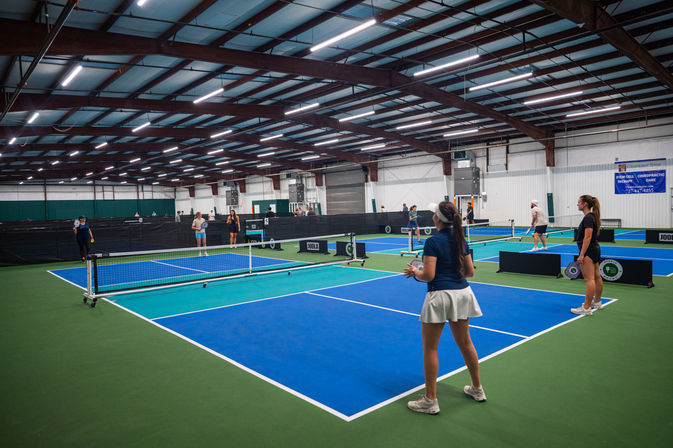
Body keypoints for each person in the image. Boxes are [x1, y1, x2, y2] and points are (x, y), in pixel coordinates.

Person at [403, 201, 485, 414]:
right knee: (466, 343)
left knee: (430, 348)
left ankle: (430, 400)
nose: (432, 216)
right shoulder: (460, 240)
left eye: (433, 214)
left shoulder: (432, 242)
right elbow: (469, 272)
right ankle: (477, 389)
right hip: (462, 294)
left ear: (437, 218)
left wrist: (415, 272)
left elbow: (428, 275)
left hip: (439, 295)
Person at [571, 195, 603, 316]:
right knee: (597, 277)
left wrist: (582, 254)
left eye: (579, 202)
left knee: (589, 279)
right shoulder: (592, 216)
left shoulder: (588, 218)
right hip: (595, 249)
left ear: (585, 204)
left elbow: (588, 236)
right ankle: (597, 302)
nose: (577, 204)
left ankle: (586, 307)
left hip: (589, 251)